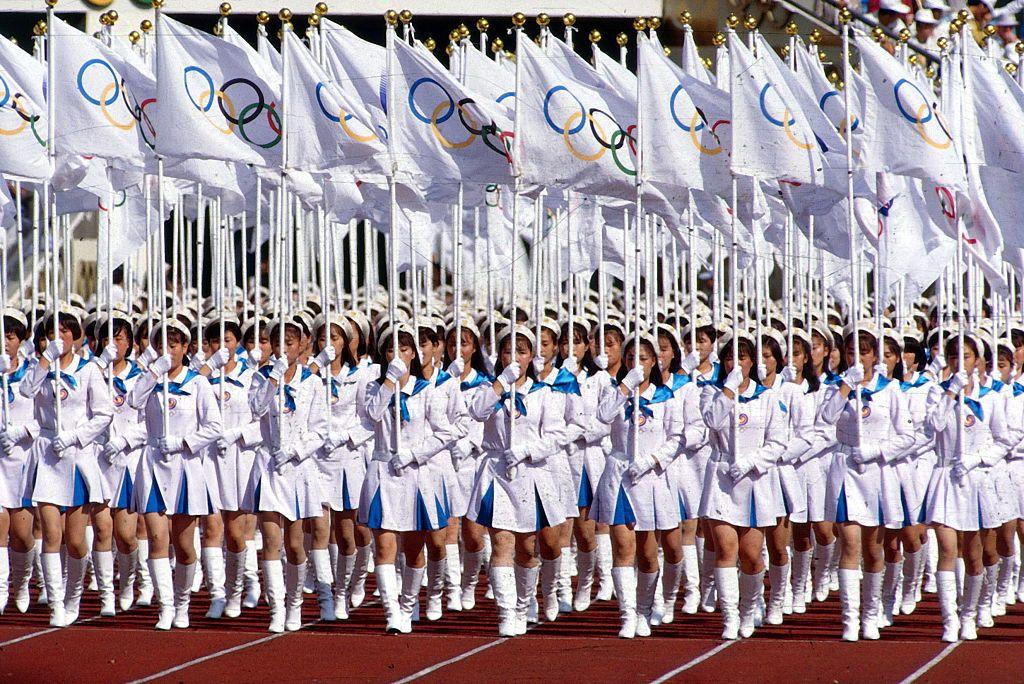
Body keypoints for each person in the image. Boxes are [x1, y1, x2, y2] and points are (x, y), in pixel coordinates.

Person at [466, 325, 569, 637]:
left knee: (529, 547)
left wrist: (526, 451)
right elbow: (476, 411)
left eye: (522, 352)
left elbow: (556, 435)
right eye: (509, 351)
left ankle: (530, 601)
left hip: (531, 471)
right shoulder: (489, 389)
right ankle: (507, 612)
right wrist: (501, 384)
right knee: (501, 542)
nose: (515, 357)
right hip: (497, 470)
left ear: (532, 356)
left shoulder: (545, 394)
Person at [819, 324, 914, 641]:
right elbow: (825, 418)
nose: (856, 357)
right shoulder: (836, 386)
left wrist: (875, 451)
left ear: (875, 355)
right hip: (846, 469)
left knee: (874, 552)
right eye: (850, 351)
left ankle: (871, 615)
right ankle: (849, 619)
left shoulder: (891, 390)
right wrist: (846, 385)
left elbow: (908, 437)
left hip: (875, 472)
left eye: (863, 351)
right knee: (849, 544)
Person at [128, 319, 222, 630]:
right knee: (157, 537)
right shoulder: (150, 379)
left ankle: (182, 602)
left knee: (183, 545)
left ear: (185, 348)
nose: (168, 350)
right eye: (162, 345)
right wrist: (155, 371)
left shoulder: (198, 383)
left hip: (185, 466)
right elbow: (132, 401)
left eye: (174, 345)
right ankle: (165, 606)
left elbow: (214, 427)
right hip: (154, 462)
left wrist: (184, 441)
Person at [21, 309, 113, 627]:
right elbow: (25, 391)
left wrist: (75, 436)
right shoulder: (40, 367)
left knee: (75, 541)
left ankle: (74, 595)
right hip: (47, 456)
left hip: (75, 456)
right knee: (51, 534)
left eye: (64, 332)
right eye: (52, 333)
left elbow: (103, 414)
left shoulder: (88, 371)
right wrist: (46, 359)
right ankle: (56, 603)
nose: (59, 338)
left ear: (76, 336)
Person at [360, 321, 452, 634]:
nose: (396, 354)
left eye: (403, 348)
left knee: (414, 549)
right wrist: (388, 383)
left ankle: (409, 604)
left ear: (414, 353)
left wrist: (416, 454)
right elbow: (370, 416)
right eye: (390, 349)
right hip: (384, 471)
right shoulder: (375, 387)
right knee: (384, 549)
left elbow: (445, 433)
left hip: (415, 473)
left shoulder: (426, 390)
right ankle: (392, 613)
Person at [591, 333, 683, 638]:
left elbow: (676, 438)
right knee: (623, 546)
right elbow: (603, 416)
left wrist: (652, 460)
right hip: (619, 475)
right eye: (631, 358)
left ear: (655, 361)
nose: (636, 363)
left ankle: (644, 609)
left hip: (649, 476)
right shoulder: (614, 389)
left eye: (643, 358)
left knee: (647, 553)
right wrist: (625, 385)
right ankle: (627, 614)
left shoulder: (665, 396)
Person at [699, 332, 787, 639]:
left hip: (753, 479)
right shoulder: (712, 393)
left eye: (743, 358)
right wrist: (728, 389)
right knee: (725, 547)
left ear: (753, 362)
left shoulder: (767, 398)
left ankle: (750, 609)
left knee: (751, 555)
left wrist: (751, 462)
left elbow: (778, 443)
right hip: (722, 476)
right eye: (729, 358)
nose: (736, 363)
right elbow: (711, 421)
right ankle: (730, 616)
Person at [243, 319, 328, 633]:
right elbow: (255, 408)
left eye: (289, 344)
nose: (283, 350)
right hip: (269, 462)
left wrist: (296, 451)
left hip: (296, 464)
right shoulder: (261, 377)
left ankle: (295, 604)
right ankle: (276, 608)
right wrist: (272, 380)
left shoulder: (312, 382)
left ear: (302, 345)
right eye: (277, 344)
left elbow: (320, 430)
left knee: (295, 544)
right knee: (271, 541)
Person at [0, 309, 40, 615]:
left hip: (23, 460)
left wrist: (21, 431)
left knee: (23, 534)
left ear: (21, 340)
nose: (4, 342)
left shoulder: (33, 372)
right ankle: (1, 589)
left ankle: (22, 581)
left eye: (10, 336)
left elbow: (49, 418)